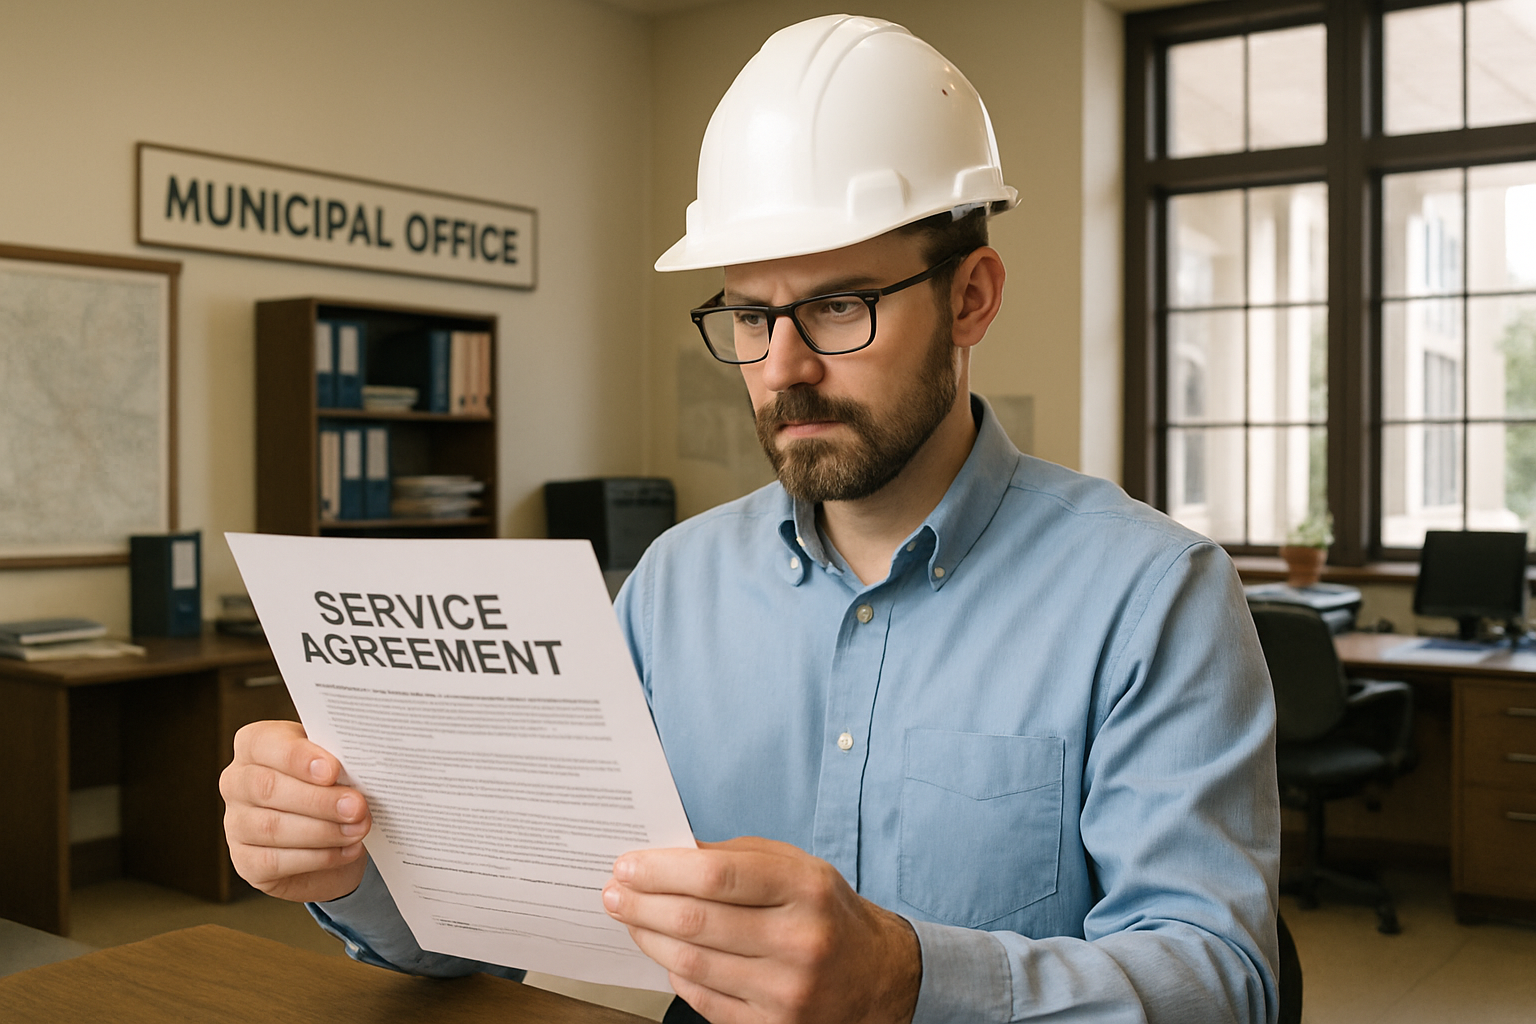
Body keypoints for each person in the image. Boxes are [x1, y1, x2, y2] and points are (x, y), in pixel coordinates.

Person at [220, 14, 1281, 1024]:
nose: (783, 369)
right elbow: (489, 927)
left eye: (836, 306)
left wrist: (908, 980)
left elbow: (1224, 984)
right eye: (750, 314)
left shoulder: (1151, 594)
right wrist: (355, 861)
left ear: (971, 300)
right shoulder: (671, 585)